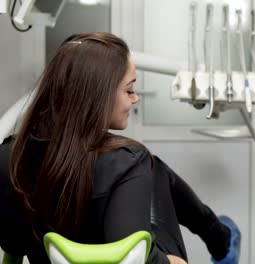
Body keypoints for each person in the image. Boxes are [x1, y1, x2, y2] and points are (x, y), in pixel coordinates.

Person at [0, 32, 241, 264]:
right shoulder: (125, 161)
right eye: (129, 90)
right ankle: (220, 237)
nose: (135, 98)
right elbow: (131, 257)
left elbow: (12, 244)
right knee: (150, 166)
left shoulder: (8, 158)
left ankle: (219, 236)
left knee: (152, 167)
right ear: (98, 94)